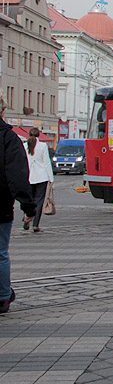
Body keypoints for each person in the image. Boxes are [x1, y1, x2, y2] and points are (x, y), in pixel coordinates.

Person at [1, 98, 36, 314]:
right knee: (0, 253)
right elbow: (17, 175)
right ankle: (3, 297)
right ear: (3, 110)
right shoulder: (8, 137)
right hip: (1, 206)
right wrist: (29, 206)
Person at [24, 128, 54, 233]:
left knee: (29, 200)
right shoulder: (42, 146)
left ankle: (27, 216)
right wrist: (51, 178)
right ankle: (35, 224)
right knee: (39, 201)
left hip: (28, 176)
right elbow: (46, 162)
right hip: (42, 177)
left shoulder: (25, 145)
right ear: (38, 135)